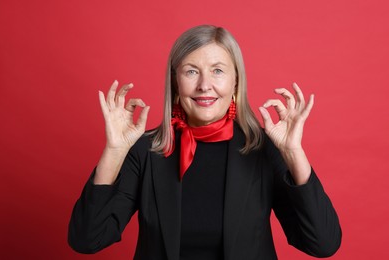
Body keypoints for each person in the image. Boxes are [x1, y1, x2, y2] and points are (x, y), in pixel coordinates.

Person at [68, 25, 341, 259]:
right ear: (176, 83)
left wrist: (293, 153)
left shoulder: (263, 149)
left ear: (236, 81)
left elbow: (323, 244)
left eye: (218, 71)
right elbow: (87, 240)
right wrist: (114, 152)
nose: (204, 85)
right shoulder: (145, 151)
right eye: (191, 71)